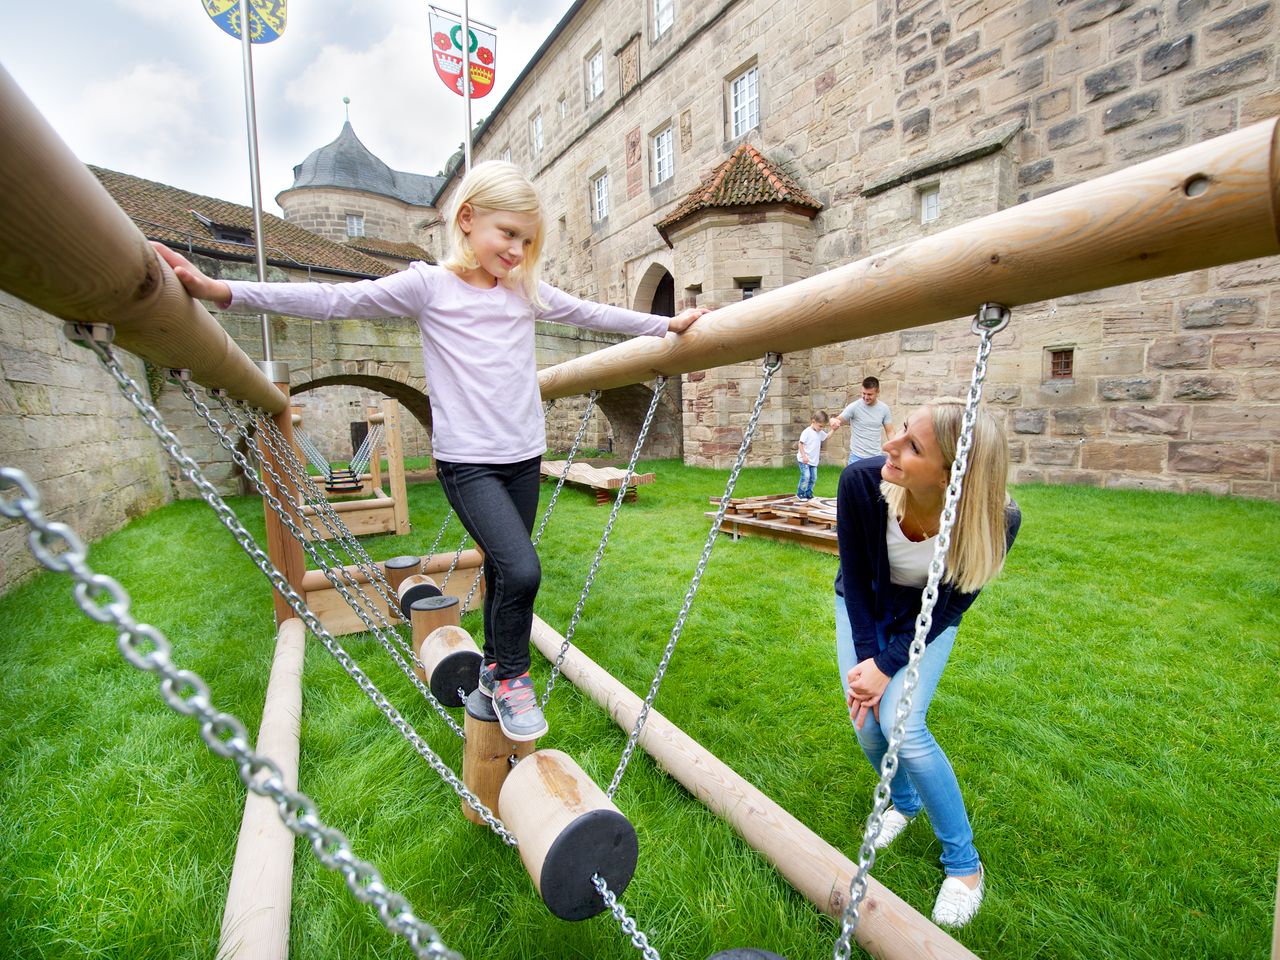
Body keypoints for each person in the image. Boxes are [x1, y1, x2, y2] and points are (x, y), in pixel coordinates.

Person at [154, 160, 707, 743]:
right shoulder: (428, 285)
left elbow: (589, 314)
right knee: (523, 569)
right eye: (506, 234)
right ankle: (515, 674)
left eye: (526, 239)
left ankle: (495, 668)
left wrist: (663, 325)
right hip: (467, 463)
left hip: (522, 455)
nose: (517, 250)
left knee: (501, 569)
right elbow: (335, 301)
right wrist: (224, 291)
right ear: (466, 220)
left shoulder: (523, 292)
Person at [834, 397, 1020, 927]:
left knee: (904, 726)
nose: (889, 444)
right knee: (869, 725)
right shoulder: (862, 483)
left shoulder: (997, 518)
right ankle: (906, 803)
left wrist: (889, 668)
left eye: (913, 446)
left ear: (950, 476)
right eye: (903, 432)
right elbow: (858, 590)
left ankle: (965, 866)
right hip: (864, 605)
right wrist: (873, 665)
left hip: (930, 615)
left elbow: (950, 603)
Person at [828, 376, 892, 465]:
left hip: (876, 457)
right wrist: (833, 420)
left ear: (877, 392)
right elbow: (839, 419)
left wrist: (896, 449)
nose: (866, 397)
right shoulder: (854, 407)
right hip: (856, 458)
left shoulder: (884, 409)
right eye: (863, 393)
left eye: (869, 394)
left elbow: (890, 432)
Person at [795, 411, 831, 501]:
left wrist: (834, 429)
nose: (821, 428)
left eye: (823, 426)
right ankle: (800, 493)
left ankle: (808, 493)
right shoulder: (806, 432)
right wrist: (804, 456)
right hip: (805, 460)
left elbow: (827, 437)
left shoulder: (819, 432)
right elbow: (800, 444)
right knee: (806, 476)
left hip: (814, 461)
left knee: (813, 478)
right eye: (820, 426)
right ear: (813, 421)